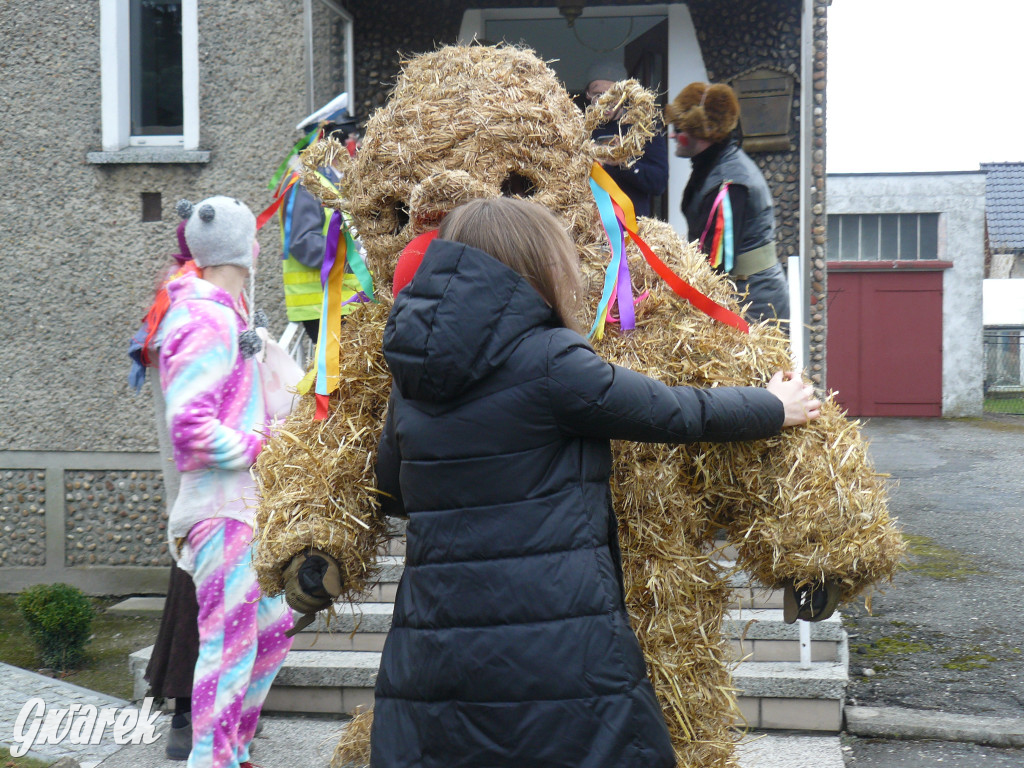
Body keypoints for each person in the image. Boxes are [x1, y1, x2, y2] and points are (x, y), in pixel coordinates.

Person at [369, 197, 820, 767]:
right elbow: (678, 412)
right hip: (552, 639)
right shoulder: (552, 360)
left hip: (432, 641)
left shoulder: (411, 378)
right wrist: (774, 407)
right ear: (536, 266)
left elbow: (392, 491)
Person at [161, 195, 294, 768]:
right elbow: (190, 430)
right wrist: (263, 452)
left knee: (272, 627)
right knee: (229, 644)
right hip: (222, 511)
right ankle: (213, 759)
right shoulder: (205, 317)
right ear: (248, 250)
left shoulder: (225, 315)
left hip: (240, 507)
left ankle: (231, 750)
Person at [128, 221, 201, 760]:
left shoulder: (174, 301)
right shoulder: (193, 309)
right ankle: (185, 713)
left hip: (199, 493)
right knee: (199, 590)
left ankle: (187, 710)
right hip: (207, 490)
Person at [666, 81, 791, 323]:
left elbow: (714, 263)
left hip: (754, 304)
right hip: (741, 294)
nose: (672, 134)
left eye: (679, 128)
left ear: (702, 131)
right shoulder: (711, 167)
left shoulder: (729, 183)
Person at [275, 92, 362, 343]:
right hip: (322, 304)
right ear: (334, 142)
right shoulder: (306, 182)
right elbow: (304, 243)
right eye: (354, 139)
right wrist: (355, 255)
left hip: (341, 301)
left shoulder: (334, 179)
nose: (358, 146)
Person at [583, 60, 668, 218]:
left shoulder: (643, 129)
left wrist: (624, 163)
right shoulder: (578, 130)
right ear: (588, 94)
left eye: (612, 95)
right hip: (586, 224)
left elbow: (659, 183)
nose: (604, 102)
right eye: (598, 95)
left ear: (624, 95)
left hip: (630, 229)